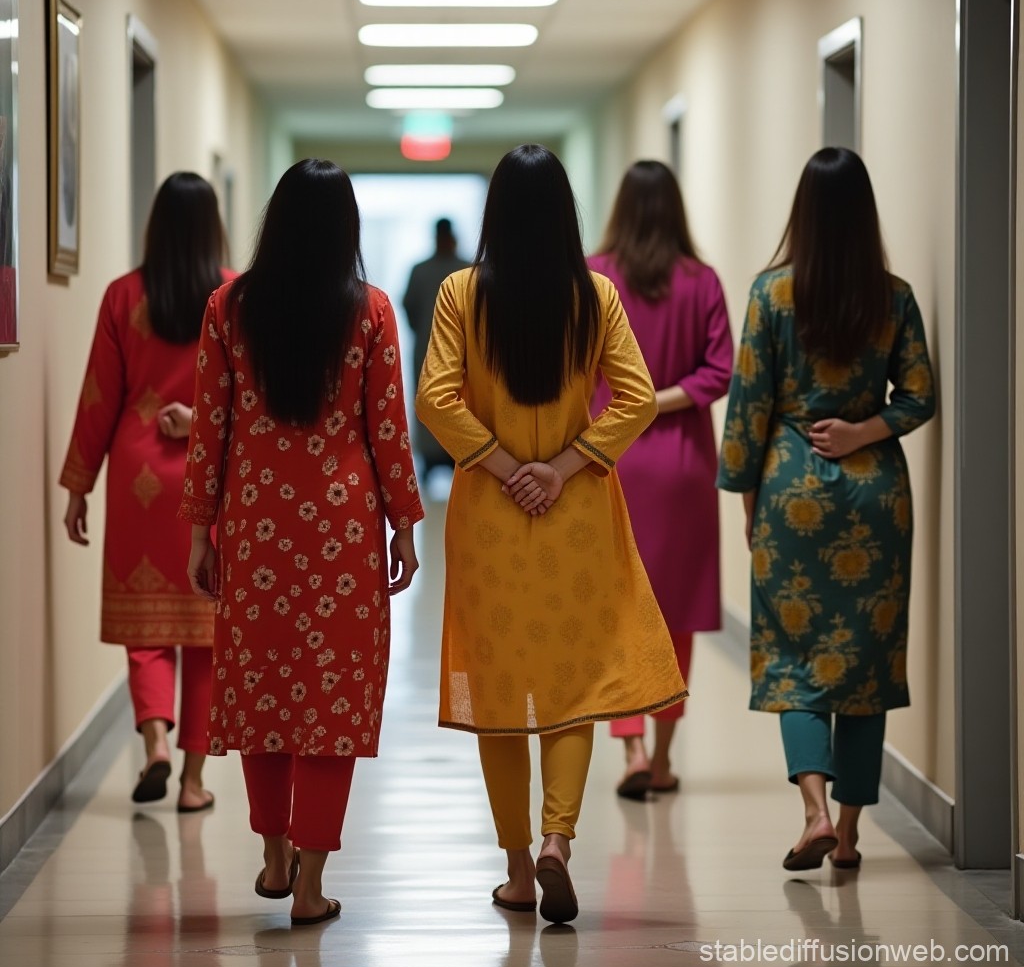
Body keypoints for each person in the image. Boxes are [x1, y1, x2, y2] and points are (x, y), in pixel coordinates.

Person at [415, 144, 687, 924]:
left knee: (497, 689)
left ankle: (516, 871)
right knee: (570, 691)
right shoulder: (593, 296)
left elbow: (435, 399)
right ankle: (557, 840)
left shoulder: (462, 294)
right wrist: (565, 465)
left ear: (493, 213)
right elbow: (635, 400)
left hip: (493, 518)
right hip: (574, 514)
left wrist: (505, 466)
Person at [179, 158, 423, 926]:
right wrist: (406, 528)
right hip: (343, 532)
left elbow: (209, 430)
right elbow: (388, 432)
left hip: (255, 528)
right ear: (346, 228)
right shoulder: (371, 312)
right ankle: (312, 885)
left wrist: (199, 529)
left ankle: (274, 852)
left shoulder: (229, 308)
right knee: (332, 699)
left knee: (261, 689)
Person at [716, 147, 935, 871]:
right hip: (877, 497)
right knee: (864, 666)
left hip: (791, 492)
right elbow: (919, 396)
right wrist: (862, 430)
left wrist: (749, 501)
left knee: (792, 654)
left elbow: (750, 407)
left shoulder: (772, 293)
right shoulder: (893, 296)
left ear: (803, 213)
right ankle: (848, 831)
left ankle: (810, 809)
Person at [60, 171, 233, 811]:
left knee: (149, 632)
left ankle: (154, 742)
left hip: (138, 482)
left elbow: (98, 399)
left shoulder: (121, 296)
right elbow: (248, 397)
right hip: (207, 476)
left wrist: (79, 486)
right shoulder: (233, 295)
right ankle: (191, 782)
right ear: (213, 226)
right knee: (207, 637)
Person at [589, 161, 733, 800]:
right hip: (681, 464)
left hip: (609, 456)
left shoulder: (595, 274)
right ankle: (667, 754)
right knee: (673, 612)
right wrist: (664, 398)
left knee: (619, 605)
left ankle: (632, 750)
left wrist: (625, 403)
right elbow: (720, 371)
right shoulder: (702, 282)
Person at [403, 217, 471, 480]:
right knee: (435, 399)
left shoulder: (458, 270)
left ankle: (453, 452)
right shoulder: (463, 270)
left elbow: (410, 309)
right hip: (439, 347)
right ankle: (437, 456)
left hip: (431, 347)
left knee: (445, 397)